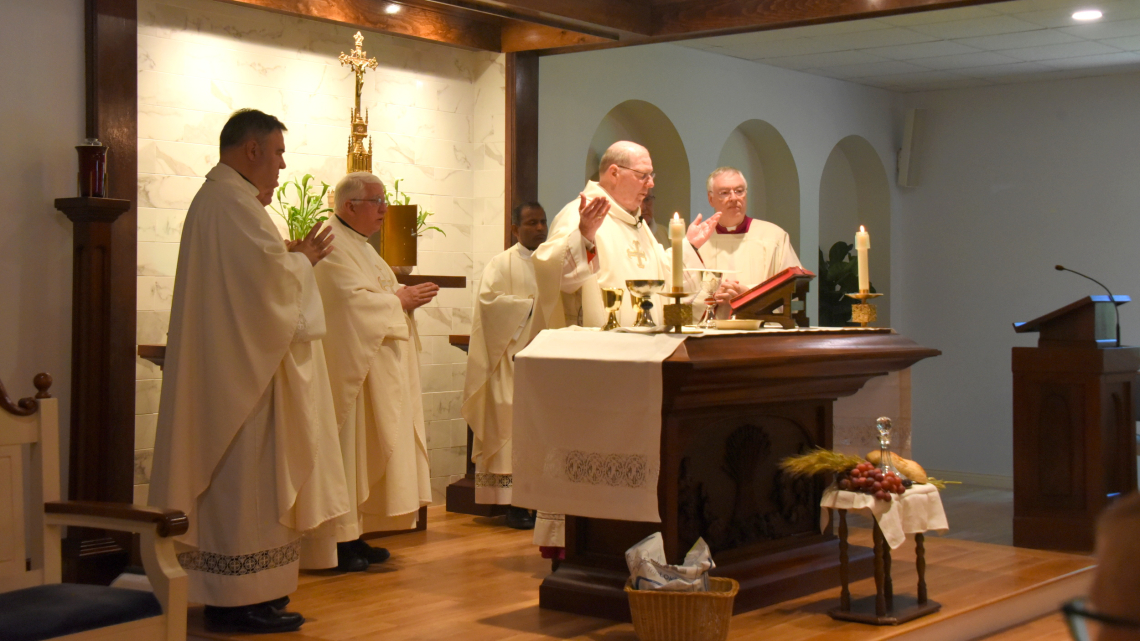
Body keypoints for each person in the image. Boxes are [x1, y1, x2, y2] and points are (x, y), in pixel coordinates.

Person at [149, 108, 349, 634]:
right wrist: (302, 260)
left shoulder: (230, 200)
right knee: (243, 486)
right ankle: (235, 602)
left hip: (242, 367)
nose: (282, 166)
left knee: (252, 487)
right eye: (278, 153)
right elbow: (267, 284)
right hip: (240, 379)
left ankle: (257, 593)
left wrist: (291, 258)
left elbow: (256, 275)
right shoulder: (229, 201)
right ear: (252, 150)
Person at [304, 171, 436, 571]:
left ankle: (355, 536)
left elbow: (373, 294)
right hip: (348, 373)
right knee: (347, 455)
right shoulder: (331, 242)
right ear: (349, 206)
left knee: (360, 457)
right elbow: (346, 304)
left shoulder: (358, 245)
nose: (384, 209)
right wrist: (399, 300)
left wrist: (398, 298)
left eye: (383, 201)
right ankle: (337, 543)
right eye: (376, 201)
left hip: (369, 369)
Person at [462, 201, 599, 529]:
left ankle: (540, 500)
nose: (539, 228)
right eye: (531, 223)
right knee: (510, 433)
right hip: (510, 363)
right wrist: (536, 308)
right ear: (514, 229)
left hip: (549, 366)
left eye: (543, 222)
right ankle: (513, 504)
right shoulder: (501, 264)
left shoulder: (555, 264)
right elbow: (489, 306)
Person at [542, 141, 719, 328]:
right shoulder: (578, 215)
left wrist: (688, 246)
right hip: (599, 348)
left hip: (646, 346)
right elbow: (554, 278)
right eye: (643, 176)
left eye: (651, 175)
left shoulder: (636, 222)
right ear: (614, 173)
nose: (651, 184)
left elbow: (662, 276)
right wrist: (584, 237)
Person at [700, 167, 801, 307]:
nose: (734, 198)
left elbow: (792, 289)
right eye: (724, 193)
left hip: (761, 326)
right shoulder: (699, 241)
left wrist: (748, 295)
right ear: (711, 199)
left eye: (739, 191)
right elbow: (686, 293)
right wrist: (712, 298)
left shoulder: (773, 237)